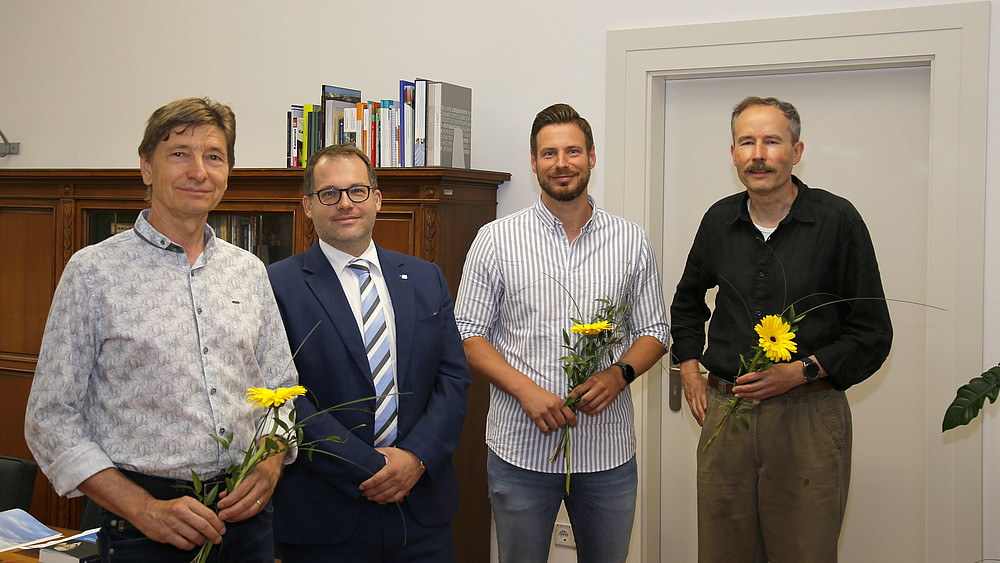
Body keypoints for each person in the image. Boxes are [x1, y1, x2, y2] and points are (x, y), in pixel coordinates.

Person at [24, 97, 298, 562]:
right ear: (146, 168)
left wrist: (270, 464)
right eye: (179, 153)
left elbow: (282, 390)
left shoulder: (249, 272)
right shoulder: (93, 272)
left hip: (245, 521)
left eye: (214, 156)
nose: (199, 170)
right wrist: (144, 509)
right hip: (142, 527)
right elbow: (50, 419)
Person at [670, 96, 893, 562]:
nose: (759, 154)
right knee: (721, 553)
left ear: (796, 150)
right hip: (726, 417)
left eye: (772, 141)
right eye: (747, 142)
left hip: (808, 417)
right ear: (732, 153)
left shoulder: (837, 221)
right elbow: (687, 303)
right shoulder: (717, 221)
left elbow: (872, 333)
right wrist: (689, 369)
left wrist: (801, 372)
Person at [454, 103, 669, 563]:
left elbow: (655, 330)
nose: (562, 163)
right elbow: (467, 333)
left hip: (607, 453)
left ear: (592, 157)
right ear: (533, 164)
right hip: (520, 452)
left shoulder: (631, 240)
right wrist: (526, 392)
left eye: (573, 151)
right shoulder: (496, 240)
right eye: (549, 154)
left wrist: (620, 374)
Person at [266, 144, 471, 562]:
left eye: (357, 191)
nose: (345, 203)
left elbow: (453, 380)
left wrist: (415, 458)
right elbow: (280, 396)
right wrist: (367, 466)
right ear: (308, 206)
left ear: (377, 199)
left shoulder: (425, 277)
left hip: (422, 511)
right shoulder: (275, 285)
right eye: (330, 194)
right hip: (324, 517)